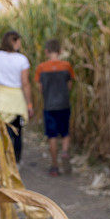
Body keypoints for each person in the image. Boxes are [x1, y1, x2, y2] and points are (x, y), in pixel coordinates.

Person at [0, 31, 33, 163]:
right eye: (18, 41)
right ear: (13, 41)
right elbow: (25, 83)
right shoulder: (22, 60)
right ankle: (16, 162)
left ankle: (4, 161)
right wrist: (29, 104)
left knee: (2, 133)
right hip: (17, 100)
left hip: (0, 100)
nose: (20, 44)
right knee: (17, 133)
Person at [35, 39, 74, 176]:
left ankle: (55, 166)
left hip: (49, 106)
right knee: (65, 132)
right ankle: (64, 152)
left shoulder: (41, 68)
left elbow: (40, 89)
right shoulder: (66, 66)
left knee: (52, 135)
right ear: (60, 51)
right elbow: (69, 86)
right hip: (64, 105)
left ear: (46, 51)